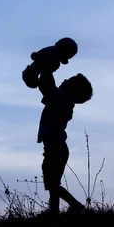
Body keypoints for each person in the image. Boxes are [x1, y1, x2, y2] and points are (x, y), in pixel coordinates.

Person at [36, 70, 93, 216]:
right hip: (55, 147)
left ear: (74, 90)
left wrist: (46, 68)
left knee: (52, 183)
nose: (65, 80)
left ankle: (75, 205)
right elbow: (46, 88)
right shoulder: (62, 99)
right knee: (53, 182)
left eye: (70, 80)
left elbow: (48, 87)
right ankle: (54, 211)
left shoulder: (63, 99)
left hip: (56, 146)